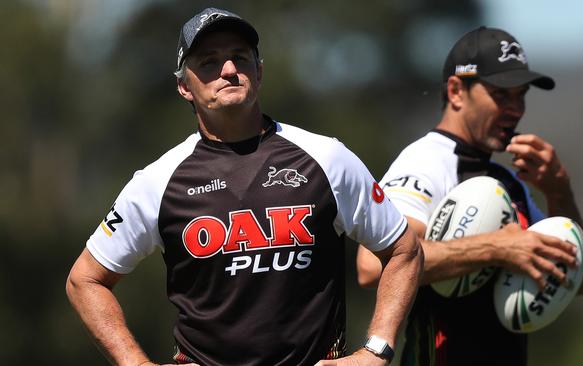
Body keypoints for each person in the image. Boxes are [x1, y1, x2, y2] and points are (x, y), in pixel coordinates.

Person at [66, 8, 422, 366]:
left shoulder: (328, 158)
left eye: (239, 58)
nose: (228, 70)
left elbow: (403, 251)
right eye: (209, 62)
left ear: (259, 71)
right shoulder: (157, 182)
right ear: (184, 87)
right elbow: (85, 281)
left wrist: (376, 350)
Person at [356, 26, 583, 365]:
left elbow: (580, 280)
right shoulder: (426, 161)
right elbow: (372, 265)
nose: (516, 109)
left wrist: (559, 191)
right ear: (456, 91)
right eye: (502, 94)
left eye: (521, 95)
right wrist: (497, 248)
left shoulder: (509, 180)